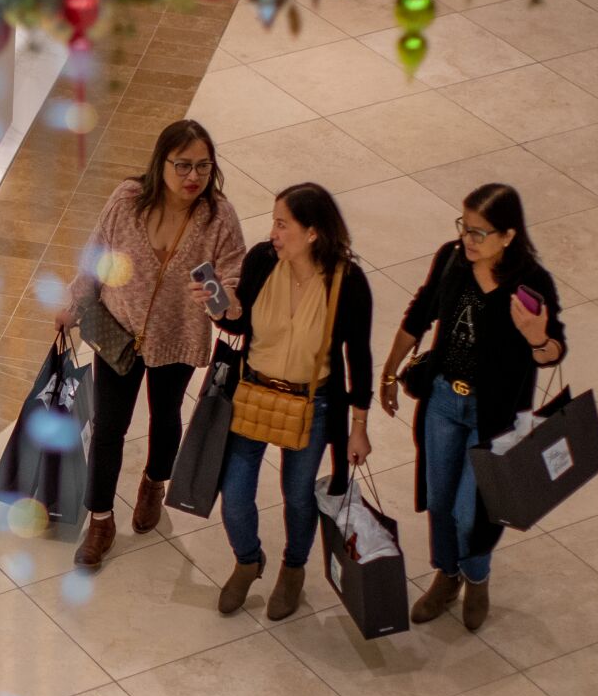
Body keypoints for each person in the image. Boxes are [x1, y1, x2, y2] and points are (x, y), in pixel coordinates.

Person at [55, 118, 244, 568]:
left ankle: (154, 482)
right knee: (107, 428)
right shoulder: (128, 200)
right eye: (182, 166)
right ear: (161, 164)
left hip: (177, 336)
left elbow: (234, 281)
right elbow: (96, 254)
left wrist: (223, 299)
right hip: (117, 331)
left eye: (202, 166)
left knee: (166, 417)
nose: (193, 177)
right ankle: (100, 519)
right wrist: (74, 302)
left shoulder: (219, 217)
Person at [380, 183, 566, 631]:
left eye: (480, 233)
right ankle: (446, 575)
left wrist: (537, 336)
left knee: (473, 511)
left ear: (508, 236)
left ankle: (476, 577)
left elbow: (553, 352)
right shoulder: (451, 259)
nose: (469, 239)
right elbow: (419, 313)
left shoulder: (529, 283)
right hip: (444, 399)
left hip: (495, 414)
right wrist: (388, 371)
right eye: (466, 227)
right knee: (441, 500)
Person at [206, 183, 374, 620]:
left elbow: (358, 355)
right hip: (254, 395)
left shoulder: (347, 282)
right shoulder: (263, 260)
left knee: (298, 496)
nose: (273, 233)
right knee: (235, 494)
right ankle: (248, 560)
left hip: (313, 405)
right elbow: (241, 330)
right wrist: (223, 311)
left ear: (313, 232)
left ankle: (293, 569)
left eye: (283, 224)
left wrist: (359, 423)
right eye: (274, 222)